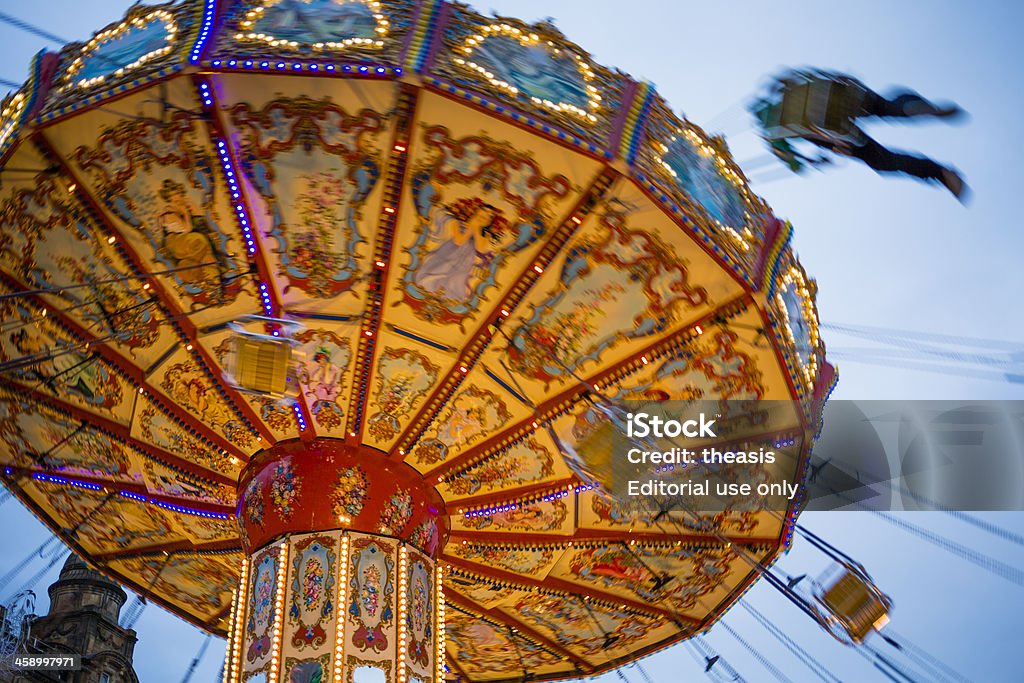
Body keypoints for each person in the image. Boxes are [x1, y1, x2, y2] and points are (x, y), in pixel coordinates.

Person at [752, 69, 968, 201]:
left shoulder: (773, 131)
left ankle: (940, 173)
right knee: (886, 106)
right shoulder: (790, 91)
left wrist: (810, 161)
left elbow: (789, 159)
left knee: (883, 160)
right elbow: (795, 76)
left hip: (830, 128)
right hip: (841, 95)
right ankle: (913, 107)